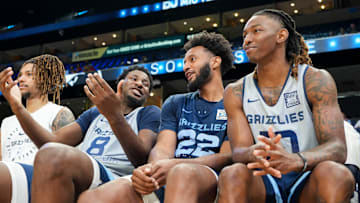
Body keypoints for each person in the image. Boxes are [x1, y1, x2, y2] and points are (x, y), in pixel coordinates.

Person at [77, 31, 233, 203]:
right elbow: (163, 148)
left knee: (182, 173)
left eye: (193, 60)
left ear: (215, 61)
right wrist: (151, 170)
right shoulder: (175, 102)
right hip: (170, 172)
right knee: (90, 198)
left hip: (209, 176)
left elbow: (226, 156)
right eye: (184, 62)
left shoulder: (232, 101)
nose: (186, 66)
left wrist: (173, 165)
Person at [218, 9, 355, 203]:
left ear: (281, 36)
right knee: (232, 173)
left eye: (256, 31)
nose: (246, 40)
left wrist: (296, 160)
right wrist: (253, 152)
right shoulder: (235, 91)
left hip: (306, 174)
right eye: (245, 35)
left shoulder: (315, 80)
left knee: (335, 173)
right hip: (263, 179)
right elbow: (239, 151)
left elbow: (338, 148)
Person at [0, 65, 160, 203]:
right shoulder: (94, 113)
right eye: (134, 79)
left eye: (145, 84)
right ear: (120, 84)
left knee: (54, 155)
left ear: (147, 94)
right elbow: (49, 142)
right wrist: (17, 107)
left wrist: (114, 116)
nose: (140, 84)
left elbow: (142, 158)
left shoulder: (149, 113)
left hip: (116, 176)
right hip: (80, 170)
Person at [0, 54, 75, 203]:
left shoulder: (59, 113)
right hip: (6, 181)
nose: (21, 79)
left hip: (39, 183)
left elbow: (67, 162)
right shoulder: (7, 121)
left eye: (29, 75)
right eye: (20, 75)